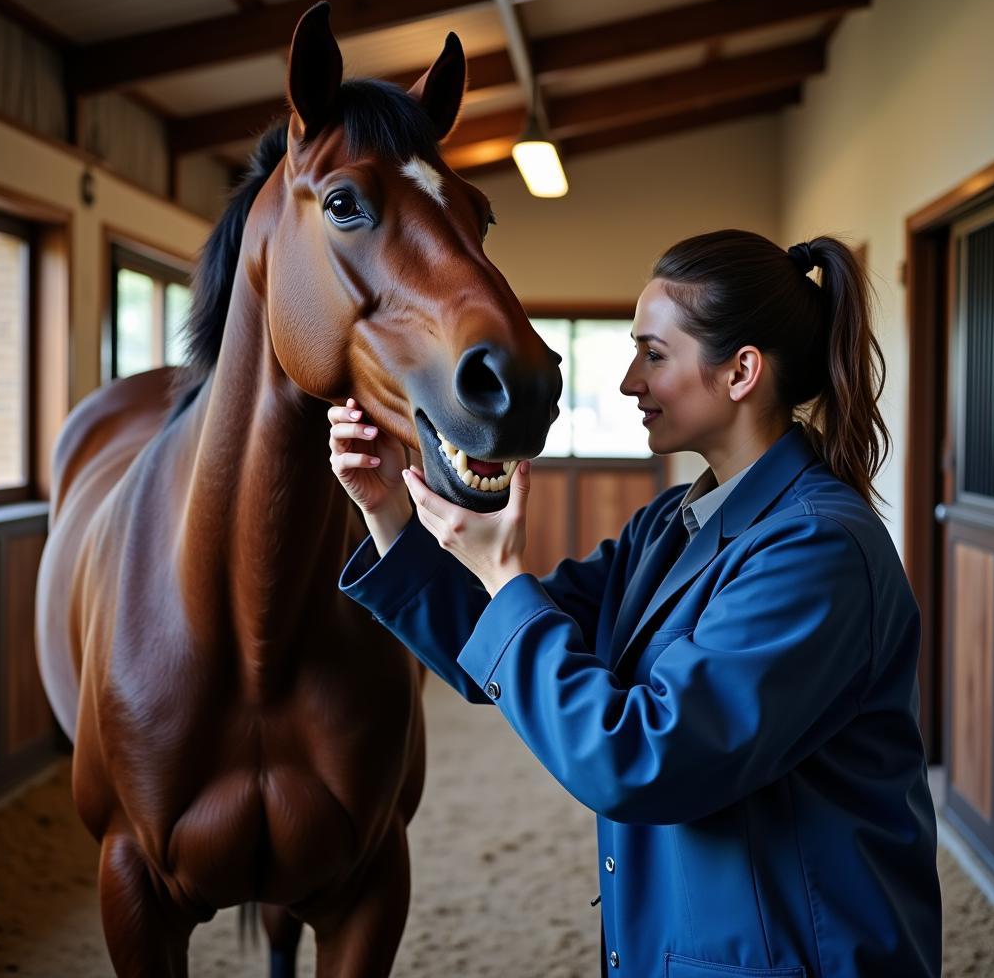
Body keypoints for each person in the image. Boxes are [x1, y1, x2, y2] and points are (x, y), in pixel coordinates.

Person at [327, 229, 942, 978]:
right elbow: (502, 649)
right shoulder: (673, 522)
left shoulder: (817, 552)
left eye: (654, 354)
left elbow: (644, 758)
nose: (628, 381)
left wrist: (502, 570)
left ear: (741, 371)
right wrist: (390, 512)